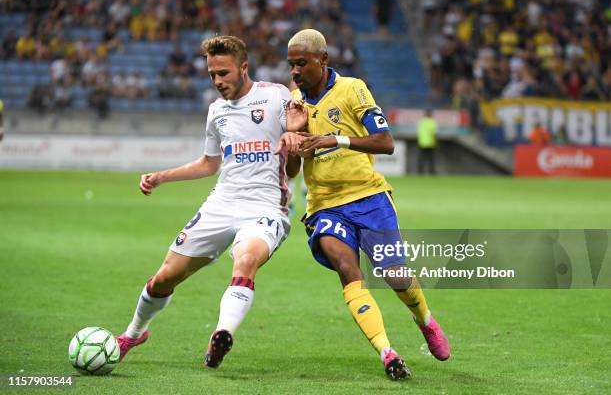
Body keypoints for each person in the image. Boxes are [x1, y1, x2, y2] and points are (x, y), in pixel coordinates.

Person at [115, 35, 306, 369]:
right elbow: (209, 163)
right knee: (163, 279)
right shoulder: (216, 111)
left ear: (243, 68)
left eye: (224, 72)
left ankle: (222, 334)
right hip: (221, 204)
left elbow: (293, 167)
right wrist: (163, 176)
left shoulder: (276, 97)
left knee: (245, 260)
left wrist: (294, 142)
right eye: (212, 74)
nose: (218, 81)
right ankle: (133, 333)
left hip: (264, 209)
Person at [277, 29, 450, 380]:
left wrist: (333, 139)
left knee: (394, 275)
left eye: (301, 64)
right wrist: (293, 139)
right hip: (325, 205)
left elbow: (386, 143)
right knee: (348, 270)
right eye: (291, 64)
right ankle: (388, 352)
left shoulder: (353, 88)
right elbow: (293, 168)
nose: (294, 72)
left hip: (368, 197)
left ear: (322, 60)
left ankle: (425, 321)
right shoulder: (293, 103)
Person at [417, 108, 437, 174]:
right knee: (431, 159)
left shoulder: (422, 122)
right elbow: (433, 133)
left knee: (421, 159)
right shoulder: (432, 122)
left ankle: (420, 172)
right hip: (430, 143)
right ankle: (432, 172)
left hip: (422, 142)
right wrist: (434, 141)